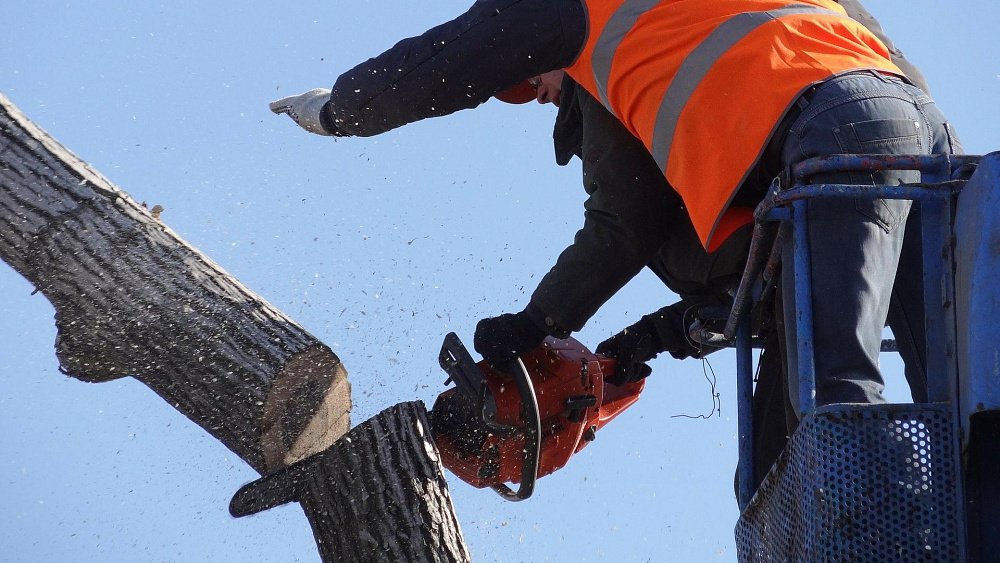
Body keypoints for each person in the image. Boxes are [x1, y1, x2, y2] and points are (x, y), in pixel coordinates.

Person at [271, 0, 961, 456]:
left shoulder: (592, 30)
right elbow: (762, 275)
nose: (534, 92)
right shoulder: (687, 38)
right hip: (921, 136)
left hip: (831, 134)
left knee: (830, 393)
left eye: (527, 80)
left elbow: (451, 63)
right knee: (956, 399)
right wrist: (654, 337)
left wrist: (341, 110)